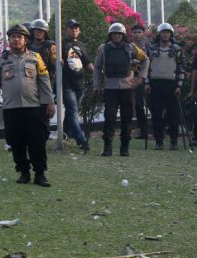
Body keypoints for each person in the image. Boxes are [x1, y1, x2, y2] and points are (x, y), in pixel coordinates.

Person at [0, 24, 55, 186]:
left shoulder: (35, 57)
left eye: (19, 37)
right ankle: (23, 172)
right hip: (11, 108)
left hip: (34, 107)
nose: (16, 39)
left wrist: (49, 103)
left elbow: (44, 81)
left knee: (37, 142)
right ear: (9, 40)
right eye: (13, 37)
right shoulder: (2, 60)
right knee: (16, 142)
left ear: (25, 40)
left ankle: (40, 174)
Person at [92, 22, 148, 157]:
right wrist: (96, 85)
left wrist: (140, 78)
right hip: (110, 87)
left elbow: (146, 59)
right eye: (114, 34)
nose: (117, 36)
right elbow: (97, 67)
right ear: (110, 35)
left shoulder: (131, 47)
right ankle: (107, 147)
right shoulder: (103, 48)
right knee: (109, 117)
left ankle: (124, 147)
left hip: (127, 87)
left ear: (122, 35)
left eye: (119, 34)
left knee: (127, 118)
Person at [144, 23, 186, 150]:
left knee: (173, 115)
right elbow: (144, 67)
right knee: (156, 115)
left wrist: (179, 86)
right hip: (155, 85)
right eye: (163, 32)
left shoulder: (177, 50)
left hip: (171, 85)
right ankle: (159, 141)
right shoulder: (151, 49)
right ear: (159, 34)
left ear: (171, 34)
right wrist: (146, 83)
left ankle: (173, 141)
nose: (165, 34)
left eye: (168, 32)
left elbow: (181, 68)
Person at [60, 19, 92, 152]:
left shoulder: (81, 45)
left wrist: (99, 75)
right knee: (73, 112)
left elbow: (87, 64)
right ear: (66, 29)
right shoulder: (61, 44)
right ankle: (81, 140)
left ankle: (64, 135)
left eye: (76, 28)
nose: (74, 30)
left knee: (71, 112)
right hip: (67, 85)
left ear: (79, 31)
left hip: (80, 85)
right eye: (71, 28)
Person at [130, 24, 151, 141]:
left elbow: (151, 62)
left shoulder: (148, 46)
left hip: (149, 79)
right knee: (138, 106)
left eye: (139, 32)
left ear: (143, 33)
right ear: (131, 34)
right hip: (135, 79)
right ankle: (143, 131)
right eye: (135, 32)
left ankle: (158, 130)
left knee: (152, 105)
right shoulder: (129, 47)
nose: (137, 34)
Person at [28, 19, 57, 85]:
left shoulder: (50, 46)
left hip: (46, 76)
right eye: (36, 30)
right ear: (33, 31)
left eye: (40, 31)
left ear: (45, 33)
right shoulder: (27, 45)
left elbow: (54, 62)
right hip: (30, 76)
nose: (38, 33)